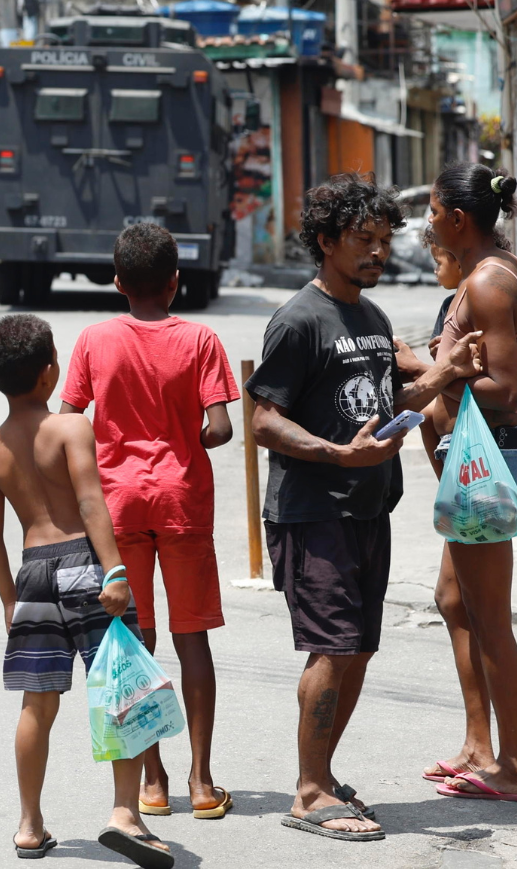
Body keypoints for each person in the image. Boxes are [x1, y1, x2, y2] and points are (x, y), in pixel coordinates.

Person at [245, 173, 482, 841]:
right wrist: (334, 454)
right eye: (362, 240)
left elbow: (390, 404)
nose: (378, 252)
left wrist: (440, 372)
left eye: (384, 240)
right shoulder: (299, 319)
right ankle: (309, 793)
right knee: (331, 647)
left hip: (366, 507)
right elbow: (262, 419)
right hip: (313, 509)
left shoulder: (373, 320)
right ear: (325, 242)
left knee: (356, 649)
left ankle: (323, 774)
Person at [0, 313, 175, 868]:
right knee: (122, 690)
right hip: (87, 564)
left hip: (34, 572)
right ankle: (124, 813)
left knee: (36, 705)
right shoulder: (70, 428)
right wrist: (114, 572)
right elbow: (91, 503)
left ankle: (29, 825)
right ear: (49, 374)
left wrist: (10, 601)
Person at [59, 223, 239, 820]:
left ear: (116, 283)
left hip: (117, 508)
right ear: (175, 283)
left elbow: (68, 419)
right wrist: (180, 441)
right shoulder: (201, 339)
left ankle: (153, 782)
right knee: (193, 638)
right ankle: (204, 782)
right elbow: (219, 427)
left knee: (135, 640)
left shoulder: (93, 340)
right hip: (182, 502)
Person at [412, 163, 517, 803]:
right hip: (474, 459)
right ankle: (480, 745)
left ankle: (511, 764)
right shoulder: (488, 274)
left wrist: (432, 370)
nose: (427, 222)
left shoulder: (488, 282)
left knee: (488, 614)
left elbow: (504, 390)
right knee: (454, 600)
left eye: (430, 210)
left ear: (458, 217)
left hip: (491, 459)